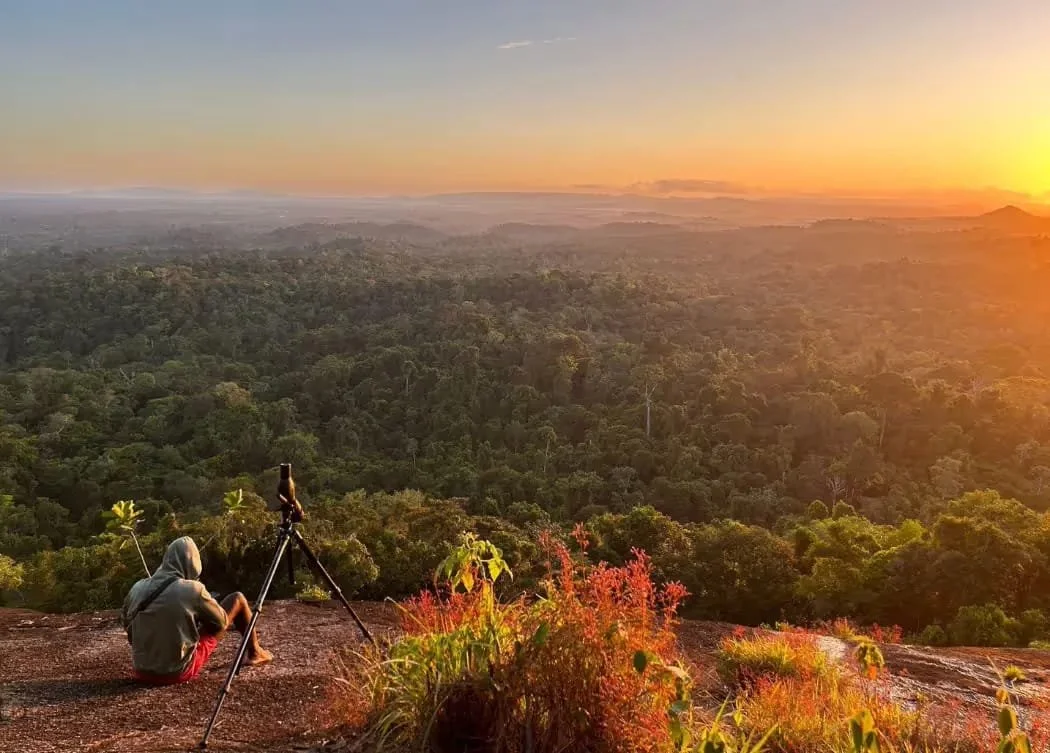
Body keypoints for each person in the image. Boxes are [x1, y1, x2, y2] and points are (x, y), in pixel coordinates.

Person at [121, 536, 273, 685]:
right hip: (176, 673)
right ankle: (255, 653)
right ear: (194, 564)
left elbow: (128, 628)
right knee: (237, 599)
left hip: (141, 671)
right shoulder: (192, 589)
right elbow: (220, 623)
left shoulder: (137, 587)